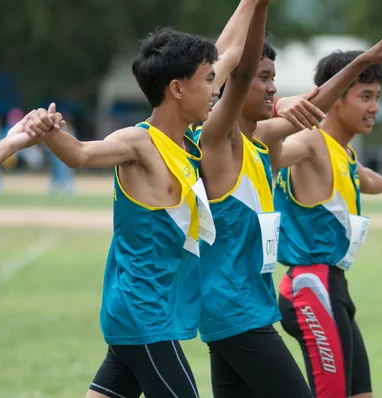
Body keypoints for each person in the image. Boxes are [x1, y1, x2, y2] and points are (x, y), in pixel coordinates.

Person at [27, 3, 259, 395]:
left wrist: (253, 4)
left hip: (151, 312)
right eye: (208, 81)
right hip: (144, 316)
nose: (215, 90)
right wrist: (47, 130)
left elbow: (231, 53)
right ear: (176, 88)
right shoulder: (138, 142)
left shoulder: (187, 143)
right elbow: (81, 155)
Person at [195, 7, 382, 398]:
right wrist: (257, 5)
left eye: (274, 79)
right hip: (238, 309)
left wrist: (363, 60)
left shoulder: (258, 142)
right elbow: (240, 71)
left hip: (248, 307)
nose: (272, 88)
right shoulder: (220, 139)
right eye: (264, 78)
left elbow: (316, 105)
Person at [274, 25, 382, 398]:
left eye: (377, 96)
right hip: (311, 285)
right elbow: (274, 152)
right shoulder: (310, 142)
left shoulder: (341, 152)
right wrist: (279, 109)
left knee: (360, 393)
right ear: (334, 98)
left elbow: (362, 177)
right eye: (365, 96)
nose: (374, 107)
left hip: (333, 287)